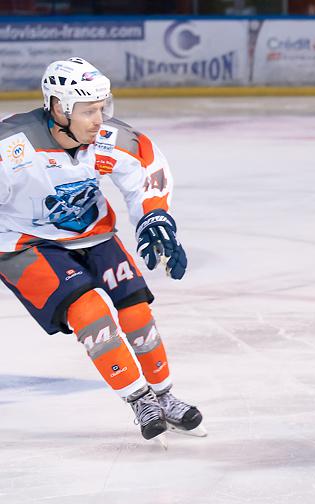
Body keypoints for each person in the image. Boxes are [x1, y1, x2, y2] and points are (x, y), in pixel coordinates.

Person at [0, 57, 203, 441]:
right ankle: (139, 399)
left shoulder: (103, 141)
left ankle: (166, 395)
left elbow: (143, 163)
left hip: (94, 235)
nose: (99, 119)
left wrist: (154, 217)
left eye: (102, 108)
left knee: (135, 308)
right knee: (88, 309)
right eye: (88, 111)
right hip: (23, 244)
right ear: (59, 108)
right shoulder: (12, 150)